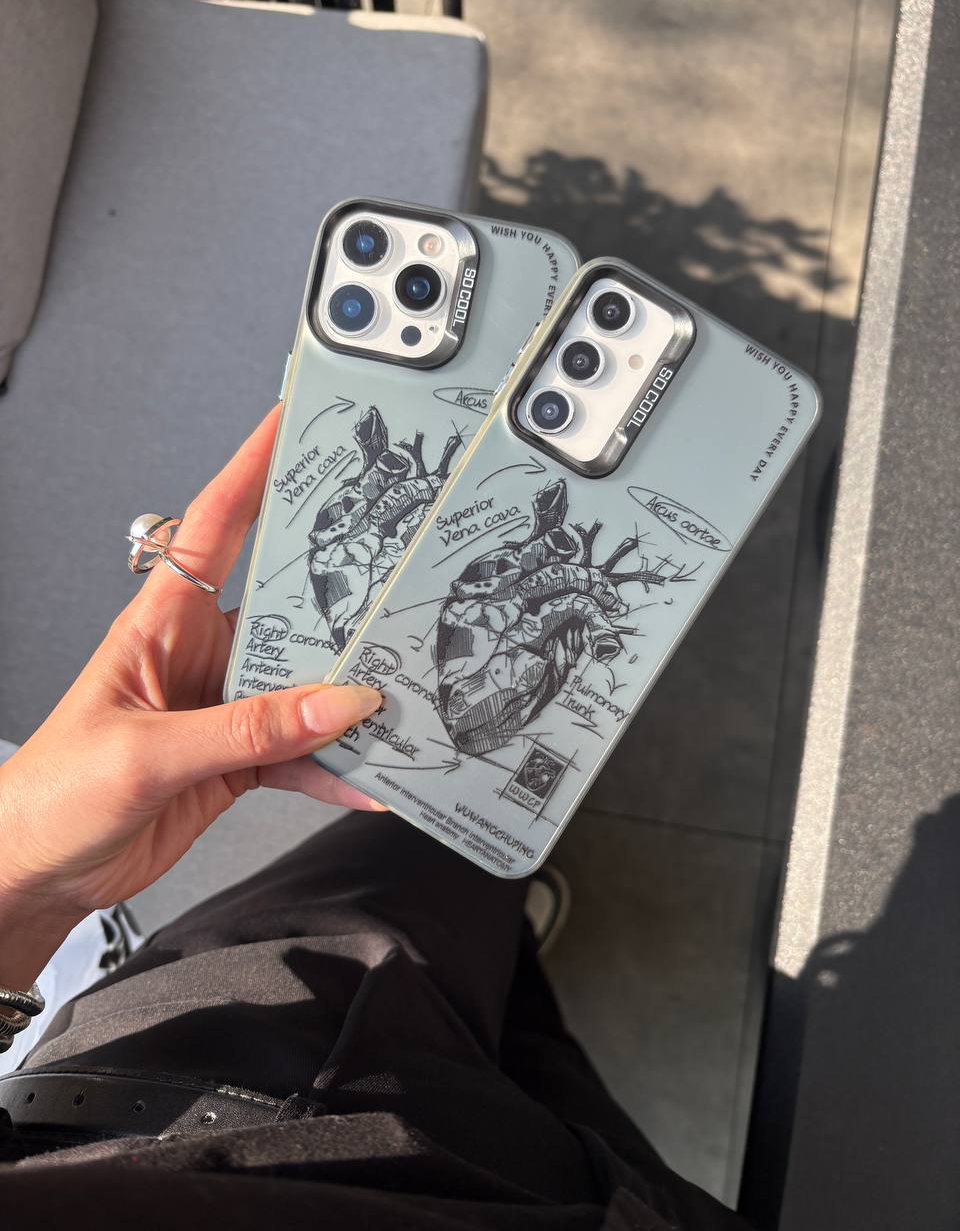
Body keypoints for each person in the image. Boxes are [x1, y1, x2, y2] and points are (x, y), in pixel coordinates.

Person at [0, 409, 749, 1228]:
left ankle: (507, 941)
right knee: (532, 1052)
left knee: (428, 844)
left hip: (162, 1070)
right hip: (232, 1085)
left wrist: (25, 891)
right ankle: (506, 958)